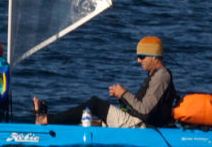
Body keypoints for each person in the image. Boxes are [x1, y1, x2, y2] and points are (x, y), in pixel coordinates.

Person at [33, 36, 176, 128]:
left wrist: (124, 94)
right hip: (136, 121)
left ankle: (45, 119)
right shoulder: (155, 76)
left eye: (142, 56)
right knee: (86, 121)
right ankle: (48, 121)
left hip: (143, 126)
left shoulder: (161, 76)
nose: (138, 60)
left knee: (95, 104)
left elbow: (145, 111)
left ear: (154, 57)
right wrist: (122, 99)